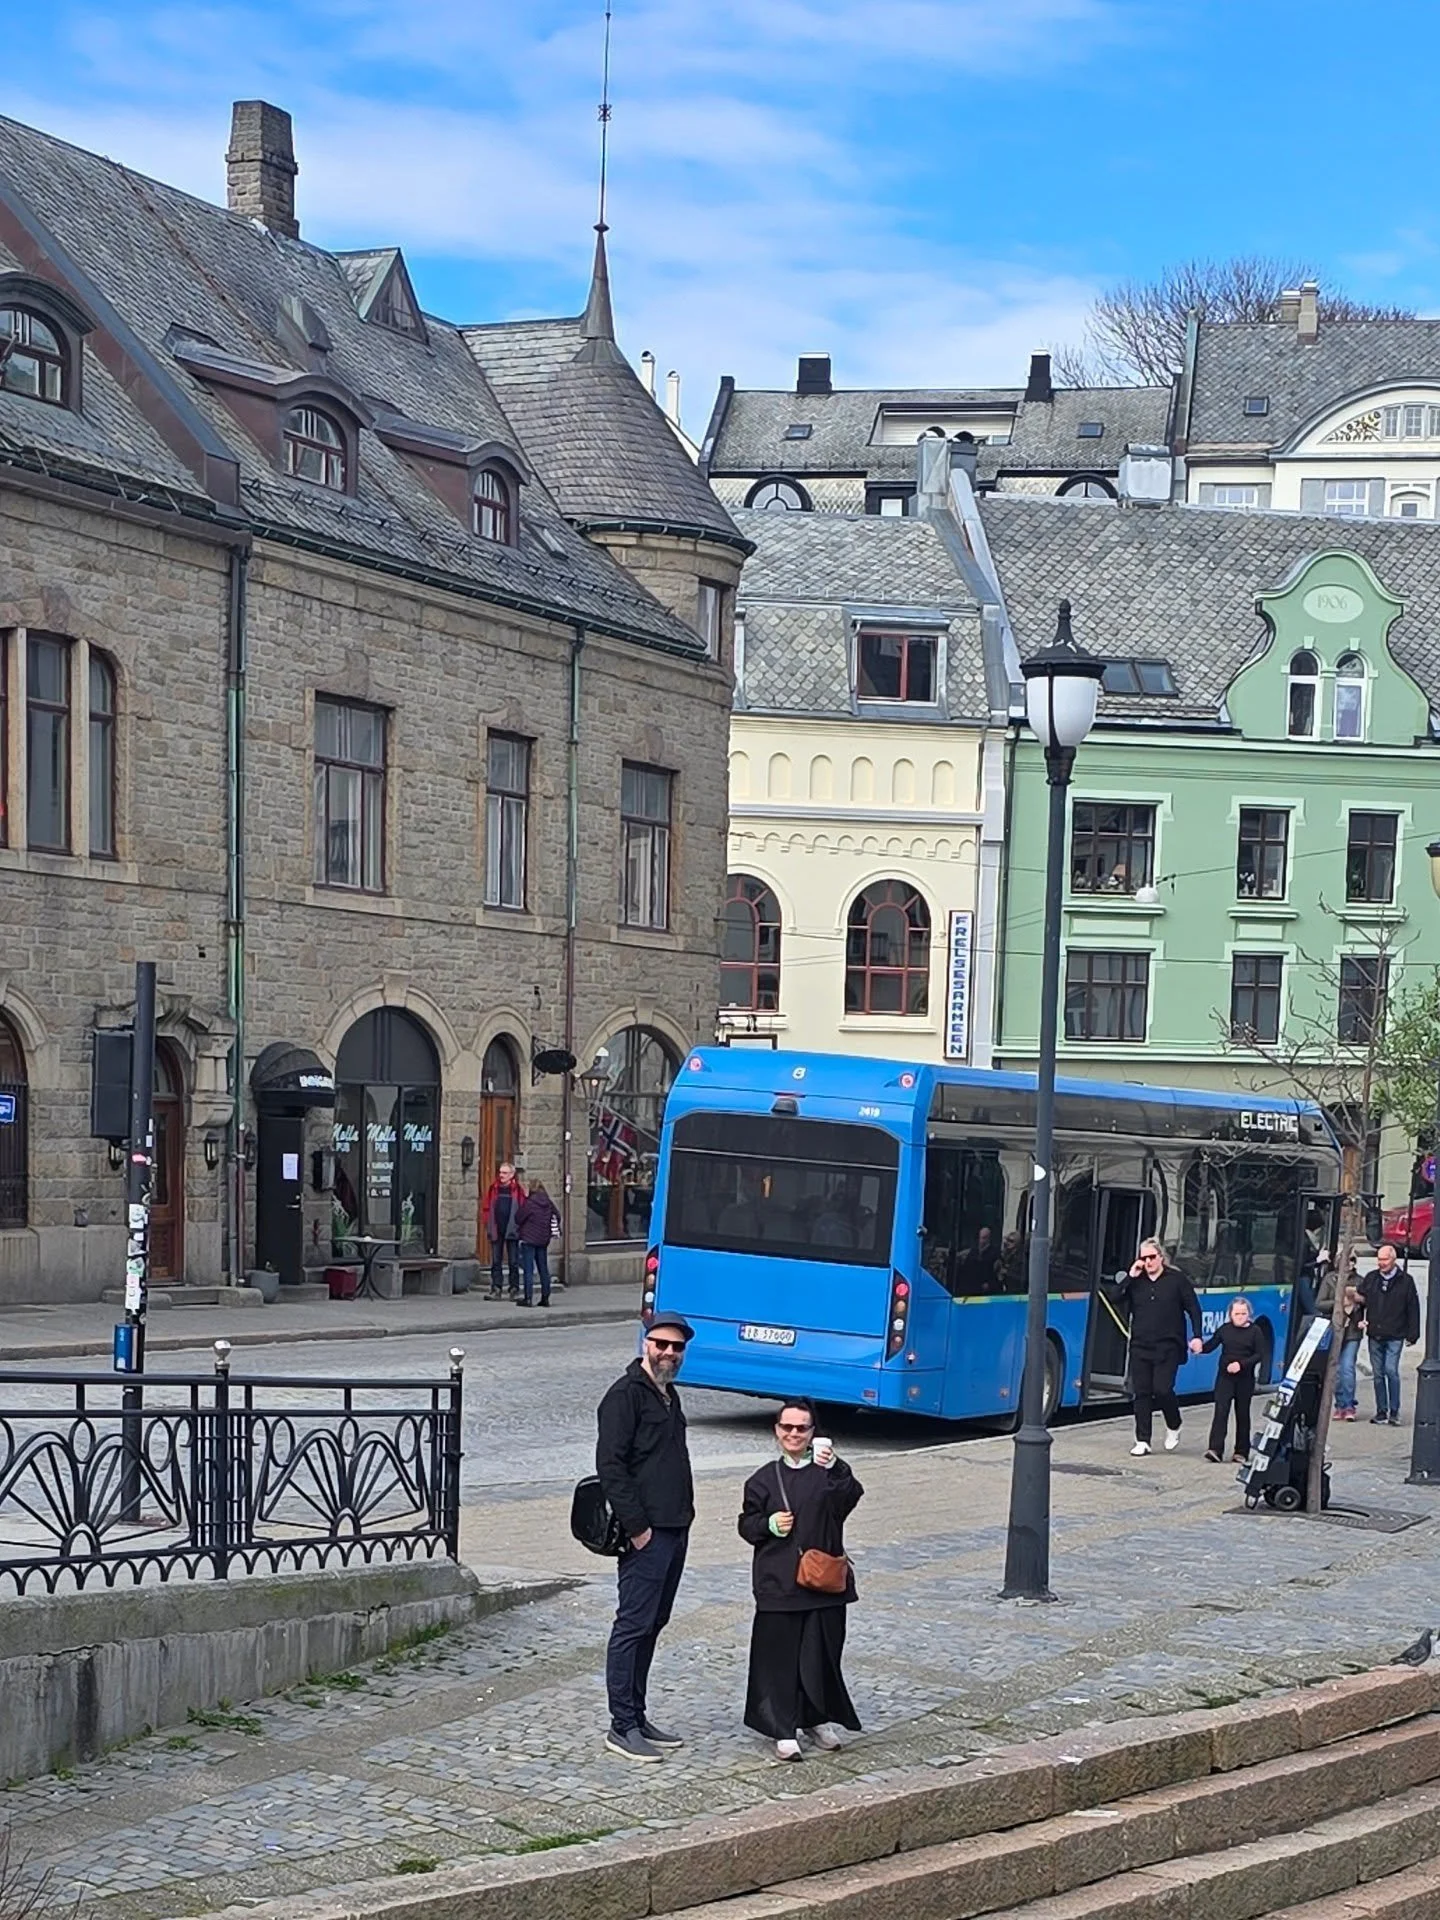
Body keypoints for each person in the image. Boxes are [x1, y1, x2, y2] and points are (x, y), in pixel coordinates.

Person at [595, 1315, 697, 1763]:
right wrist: (638, 1530)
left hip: (675, 1527)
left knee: (654, 1623)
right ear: (646, 1344)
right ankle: (621, 1725)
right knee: (632, 1625)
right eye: (662, 1344)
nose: (669, 1353)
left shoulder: (668, 1395)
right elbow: (611, 1468)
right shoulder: (624, 1397)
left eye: (676, 1348)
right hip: (647, 1534)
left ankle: (637, 1713)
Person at [738, 1399, 863, 1761]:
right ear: (777, 1431)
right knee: (778, 1658)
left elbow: (850, 1495)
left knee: (822, 1654)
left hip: (824, 1580)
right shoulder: (761, 1479)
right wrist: (768, 1525)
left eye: (801, 1428)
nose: (794, 1434)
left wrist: (837, 1465)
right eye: (787, 1428)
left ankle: (817, 1718)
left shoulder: (828, 1473)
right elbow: (747, 1525)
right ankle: (782, 1726)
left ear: (813, 1433)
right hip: (778, 1582)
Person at [1116, 1237, 1204, 1456]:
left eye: (1152, 1257)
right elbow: (1114, 1297)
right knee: (1142, 1392)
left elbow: (1193, 1308)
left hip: (1169, 1345)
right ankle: (1142, 1440)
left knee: (1162, 1389)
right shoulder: (1136, 1281)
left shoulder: (1176, 1280)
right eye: (1143, 1258)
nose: (1148, 1262)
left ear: (1161, 1258)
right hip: (1140, 1344)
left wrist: (1197, 1336)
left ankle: (1174, 1424)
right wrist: (1130, 1276)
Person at [1356, 1243, 1421, 1426]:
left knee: (1391, 1370)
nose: (1381, 1263)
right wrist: (1360, 1319)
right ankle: (1381, 1411)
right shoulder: (1371, 1278)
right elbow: (1360, 1300)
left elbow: (1412, 1308)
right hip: (1375, 1333)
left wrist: (1412, 1334)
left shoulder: (1405, 1281)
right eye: (1379, 1259)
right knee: (1378, 1375)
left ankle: (1394, 1411)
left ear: (1393, 1260)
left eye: (1384, 1259)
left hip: (1395, 1334)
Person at [1202, 1297, 1262, 1463]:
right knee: (1221, 1411)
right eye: (1237, 1314)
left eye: (1243, 1313)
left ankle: (1241, 1451)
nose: (1240, 1317)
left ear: (1249, 1314)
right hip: (1225, 1377)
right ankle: (1215, 1449)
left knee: (1242, 1413)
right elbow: (1211, 1345)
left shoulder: (1255, 1331)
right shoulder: (1225, 1330)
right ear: (1230, 1314)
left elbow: (1259, 1354)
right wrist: (1199, 1348)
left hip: (1244, 1378)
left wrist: (1241, 1365)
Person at [482, 1163, 525, 1300]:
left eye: (505, 1173)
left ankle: (514, 1289)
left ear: (512, 1175)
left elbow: (523, 1209)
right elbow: (486, 1207)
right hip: (497, 1228)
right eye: (500, 1172)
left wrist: (520, 1226)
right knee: (496, 1261)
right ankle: (496, 1288)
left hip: (512, 1229)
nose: (501, 1175)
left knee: (513, 1261)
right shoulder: (494, 1189)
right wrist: (487, 1223)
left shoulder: (517, 1190)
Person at [513, 1180, 559, 1307]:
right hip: (543, 1239)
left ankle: (528, 1298)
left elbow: (518, 1218)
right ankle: (545, 1298)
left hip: (529, 1239)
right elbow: (557, 1216)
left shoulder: (530, 1203)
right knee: (543, 1268)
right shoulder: (548, 1203)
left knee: (528, 1269)